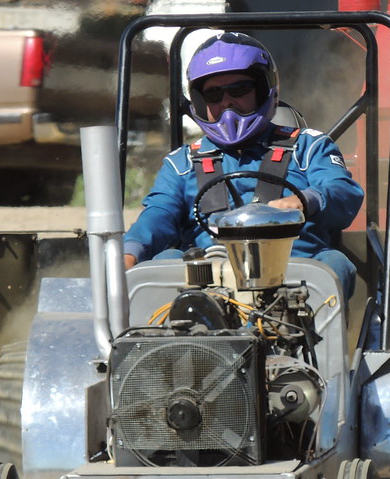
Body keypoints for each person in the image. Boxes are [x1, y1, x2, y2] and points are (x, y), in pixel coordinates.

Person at [122, 32, 364, 299]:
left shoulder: (309, 146)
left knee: (335, 263)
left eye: (239, 90)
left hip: (296, 277)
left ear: (263, 89)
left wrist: (305, 201)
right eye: (213, 94)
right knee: (164, 261)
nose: (226, 102)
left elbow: (342, 191)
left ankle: (312, 338)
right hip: (207, 282)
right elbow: (158, 214)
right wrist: (130, 251)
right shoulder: (181, 163)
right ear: (200, 101)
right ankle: (175, 340)